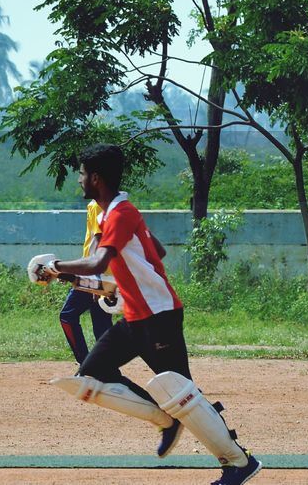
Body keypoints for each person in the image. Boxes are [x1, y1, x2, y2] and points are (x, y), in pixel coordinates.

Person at [28, 144, 262, 485]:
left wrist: (54, 264)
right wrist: (67, 276)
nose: (78, 181)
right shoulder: (113, 215)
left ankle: (239, 462)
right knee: (93, 372)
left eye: (81, 174)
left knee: (186, 395)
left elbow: (99, 263)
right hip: (136, 318)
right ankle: (167, 419)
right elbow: (153, 253)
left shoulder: (121, 214)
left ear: (96, 178)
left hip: (160, 316)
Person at [58, 199, 113, 365]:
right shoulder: (102, 204)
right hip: (106, 276)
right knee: (102, 326)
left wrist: (93, 276)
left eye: (83, 173)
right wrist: (75, 270)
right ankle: (106, 368)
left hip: (95, 276)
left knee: (67, 316)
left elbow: (98, 243)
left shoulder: (97, 205)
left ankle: (86, 364)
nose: (80, 179)